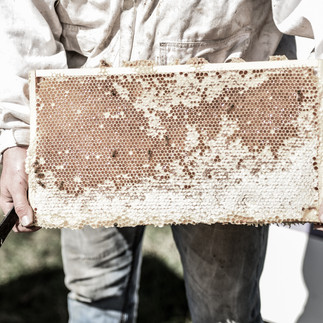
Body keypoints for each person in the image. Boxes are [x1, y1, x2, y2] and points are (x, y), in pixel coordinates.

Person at [0, 1, 322, 322]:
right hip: (90, 120)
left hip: (224, 128)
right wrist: (20, 129)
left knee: (225, 311)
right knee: (95, 293)